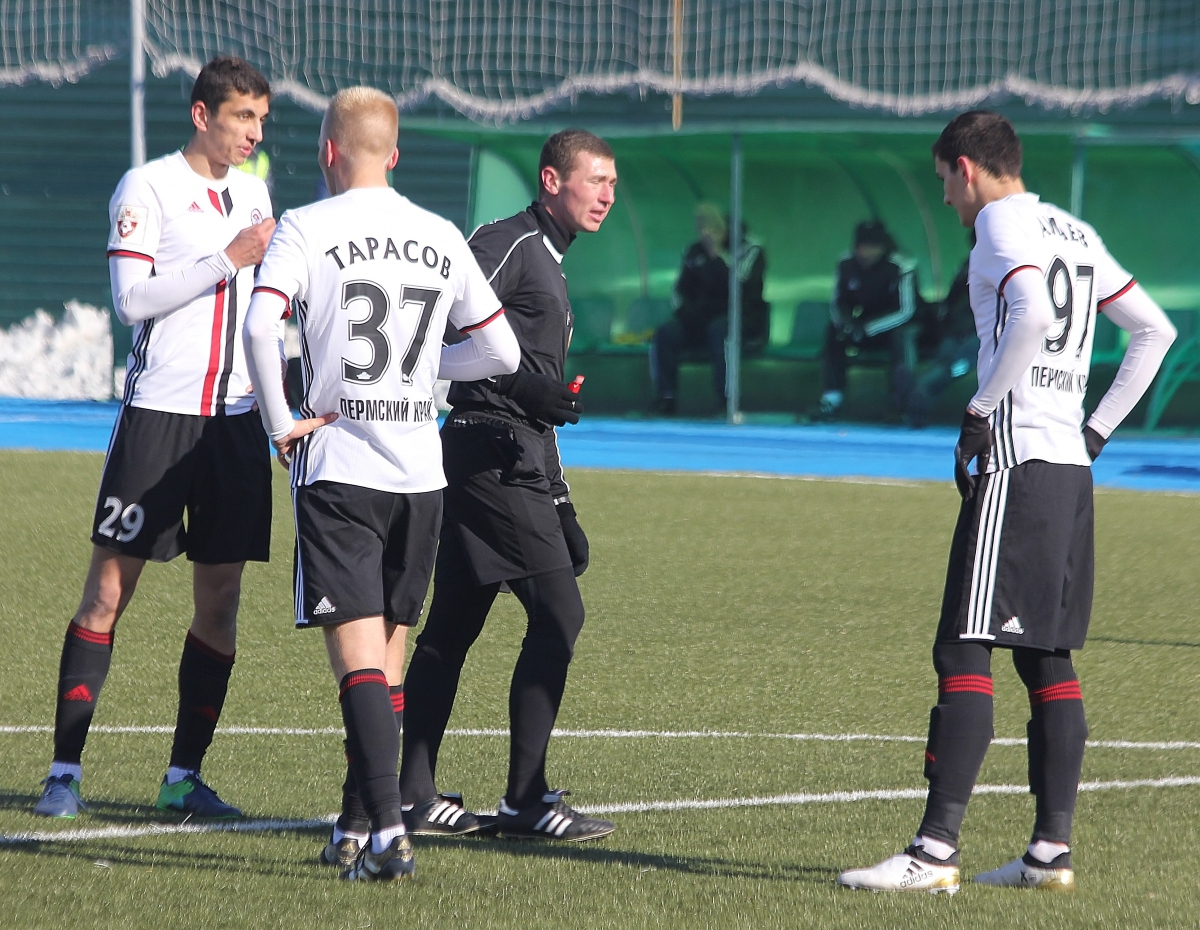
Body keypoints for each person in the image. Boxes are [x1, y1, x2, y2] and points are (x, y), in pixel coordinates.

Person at [837, 110, 1176, 894]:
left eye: (943, 183)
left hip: (1017, 465)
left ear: (965, 167)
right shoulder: (1075, 231)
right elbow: (1153, 332)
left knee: (962, 646)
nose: (947, 200)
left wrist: (979, 411)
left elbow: (1032, 313)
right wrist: (1095, 432)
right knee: (1044, 654)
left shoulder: (998, 223)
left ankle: (932, 854)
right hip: (1069, 472)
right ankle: (1049, 853)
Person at [243, 86, 519, 881]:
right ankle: (356, 823)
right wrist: (427, 378)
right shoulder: (440, 233)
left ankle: (389, 834)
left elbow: (260, 324)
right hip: (421, 475)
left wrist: (281, 422)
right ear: (394, 154)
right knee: (386, 660)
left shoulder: (305, 226)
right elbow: (501, 352)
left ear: (328, 151)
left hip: (341, 467)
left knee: (358, 660)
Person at [32, 57, 276, 821]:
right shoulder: (147, 187)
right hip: (159, 419)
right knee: (109, 591)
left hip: (236, 425)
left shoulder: (256, 193)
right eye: (242, 117)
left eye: (261, 120)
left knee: (222, 601)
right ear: (203, 115)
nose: (254, 133)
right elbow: (131, 300)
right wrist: (226, 258)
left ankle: (182, 778)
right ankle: (63, 774)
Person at [397, 129, 618, 842]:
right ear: (552, 181)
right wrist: (525, 387)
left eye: (613, 184)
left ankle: (412, 794)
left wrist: (562, 500)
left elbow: (537, 402)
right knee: (559, 615)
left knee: (452, 627)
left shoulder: (549, 260)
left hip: (510, 454)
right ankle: (524, 800)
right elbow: (434, 327)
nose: (608, 195)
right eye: (596, 180)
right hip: (487, 451)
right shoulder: (508, 242)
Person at [650, 203, 769, 414]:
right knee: (665, 333)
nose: (705, 232)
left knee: (720, 331)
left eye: (712, 226)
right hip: (700, 319)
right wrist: (687, 313)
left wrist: (717, 256)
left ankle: (726, 400)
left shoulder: (750, 250)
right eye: (700, 226)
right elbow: (680, 291)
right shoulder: (694, 251)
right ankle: (666, 397)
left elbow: (741, 290)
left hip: (740, 319)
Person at [818, 220, 917, 420]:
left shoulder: (901, 267)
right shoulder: (846, 263)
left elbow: (906, 311)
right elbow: (837, 302)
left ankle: (900, 404)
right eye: (861, 246)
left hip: (894, 326)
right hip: (861, 324)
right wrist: (846, 325)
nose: (865, 252)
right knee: (834, 333)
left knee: (902, 340)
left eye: (872, 247)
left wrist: (868, 329)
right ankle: (831, 399)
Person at [906, 236, 979, 428]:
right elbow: (952, 302)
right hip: (964, 331)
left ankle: (921, 394)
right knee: (946, 365)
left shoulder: (1006, 266)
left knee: (950, 366)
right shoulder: (969, 265)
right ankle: (919, 399)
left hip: (983, 334)